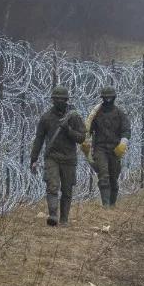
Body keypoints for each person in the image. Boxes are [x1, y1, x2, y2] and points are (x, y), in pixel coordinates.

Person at [30, 85, 87, 226]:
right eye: (56, 99)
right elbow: (39, 139)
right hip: (52, 157)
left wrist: (68, 130)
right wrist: (34, 158)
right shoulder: (46, 118)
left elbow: (81, 138)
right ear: (52, 100)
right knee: (52, 186)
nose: (59, 102)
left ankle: (64, 219)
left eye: (62, 99)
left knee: (67, 190)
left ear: (66, 100)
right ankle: (53, 215)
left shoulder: (74, 117)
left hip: (69, 158)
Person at [84, 85, 132, 207]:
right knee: (103, 176)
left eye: (110, 97)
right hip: (100, 148)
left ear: (114, 97)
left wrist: (123, 143)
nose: (108, 99)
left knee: (114, 178)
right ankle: (105, 205)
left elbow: (126, 130)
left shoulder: (120, 113)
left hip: (115, 149)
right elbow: (88, 129)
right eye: (106, 97)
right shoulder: (96, 113)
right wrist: (85, 141)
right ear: (102, 98)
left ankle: (112, 205)